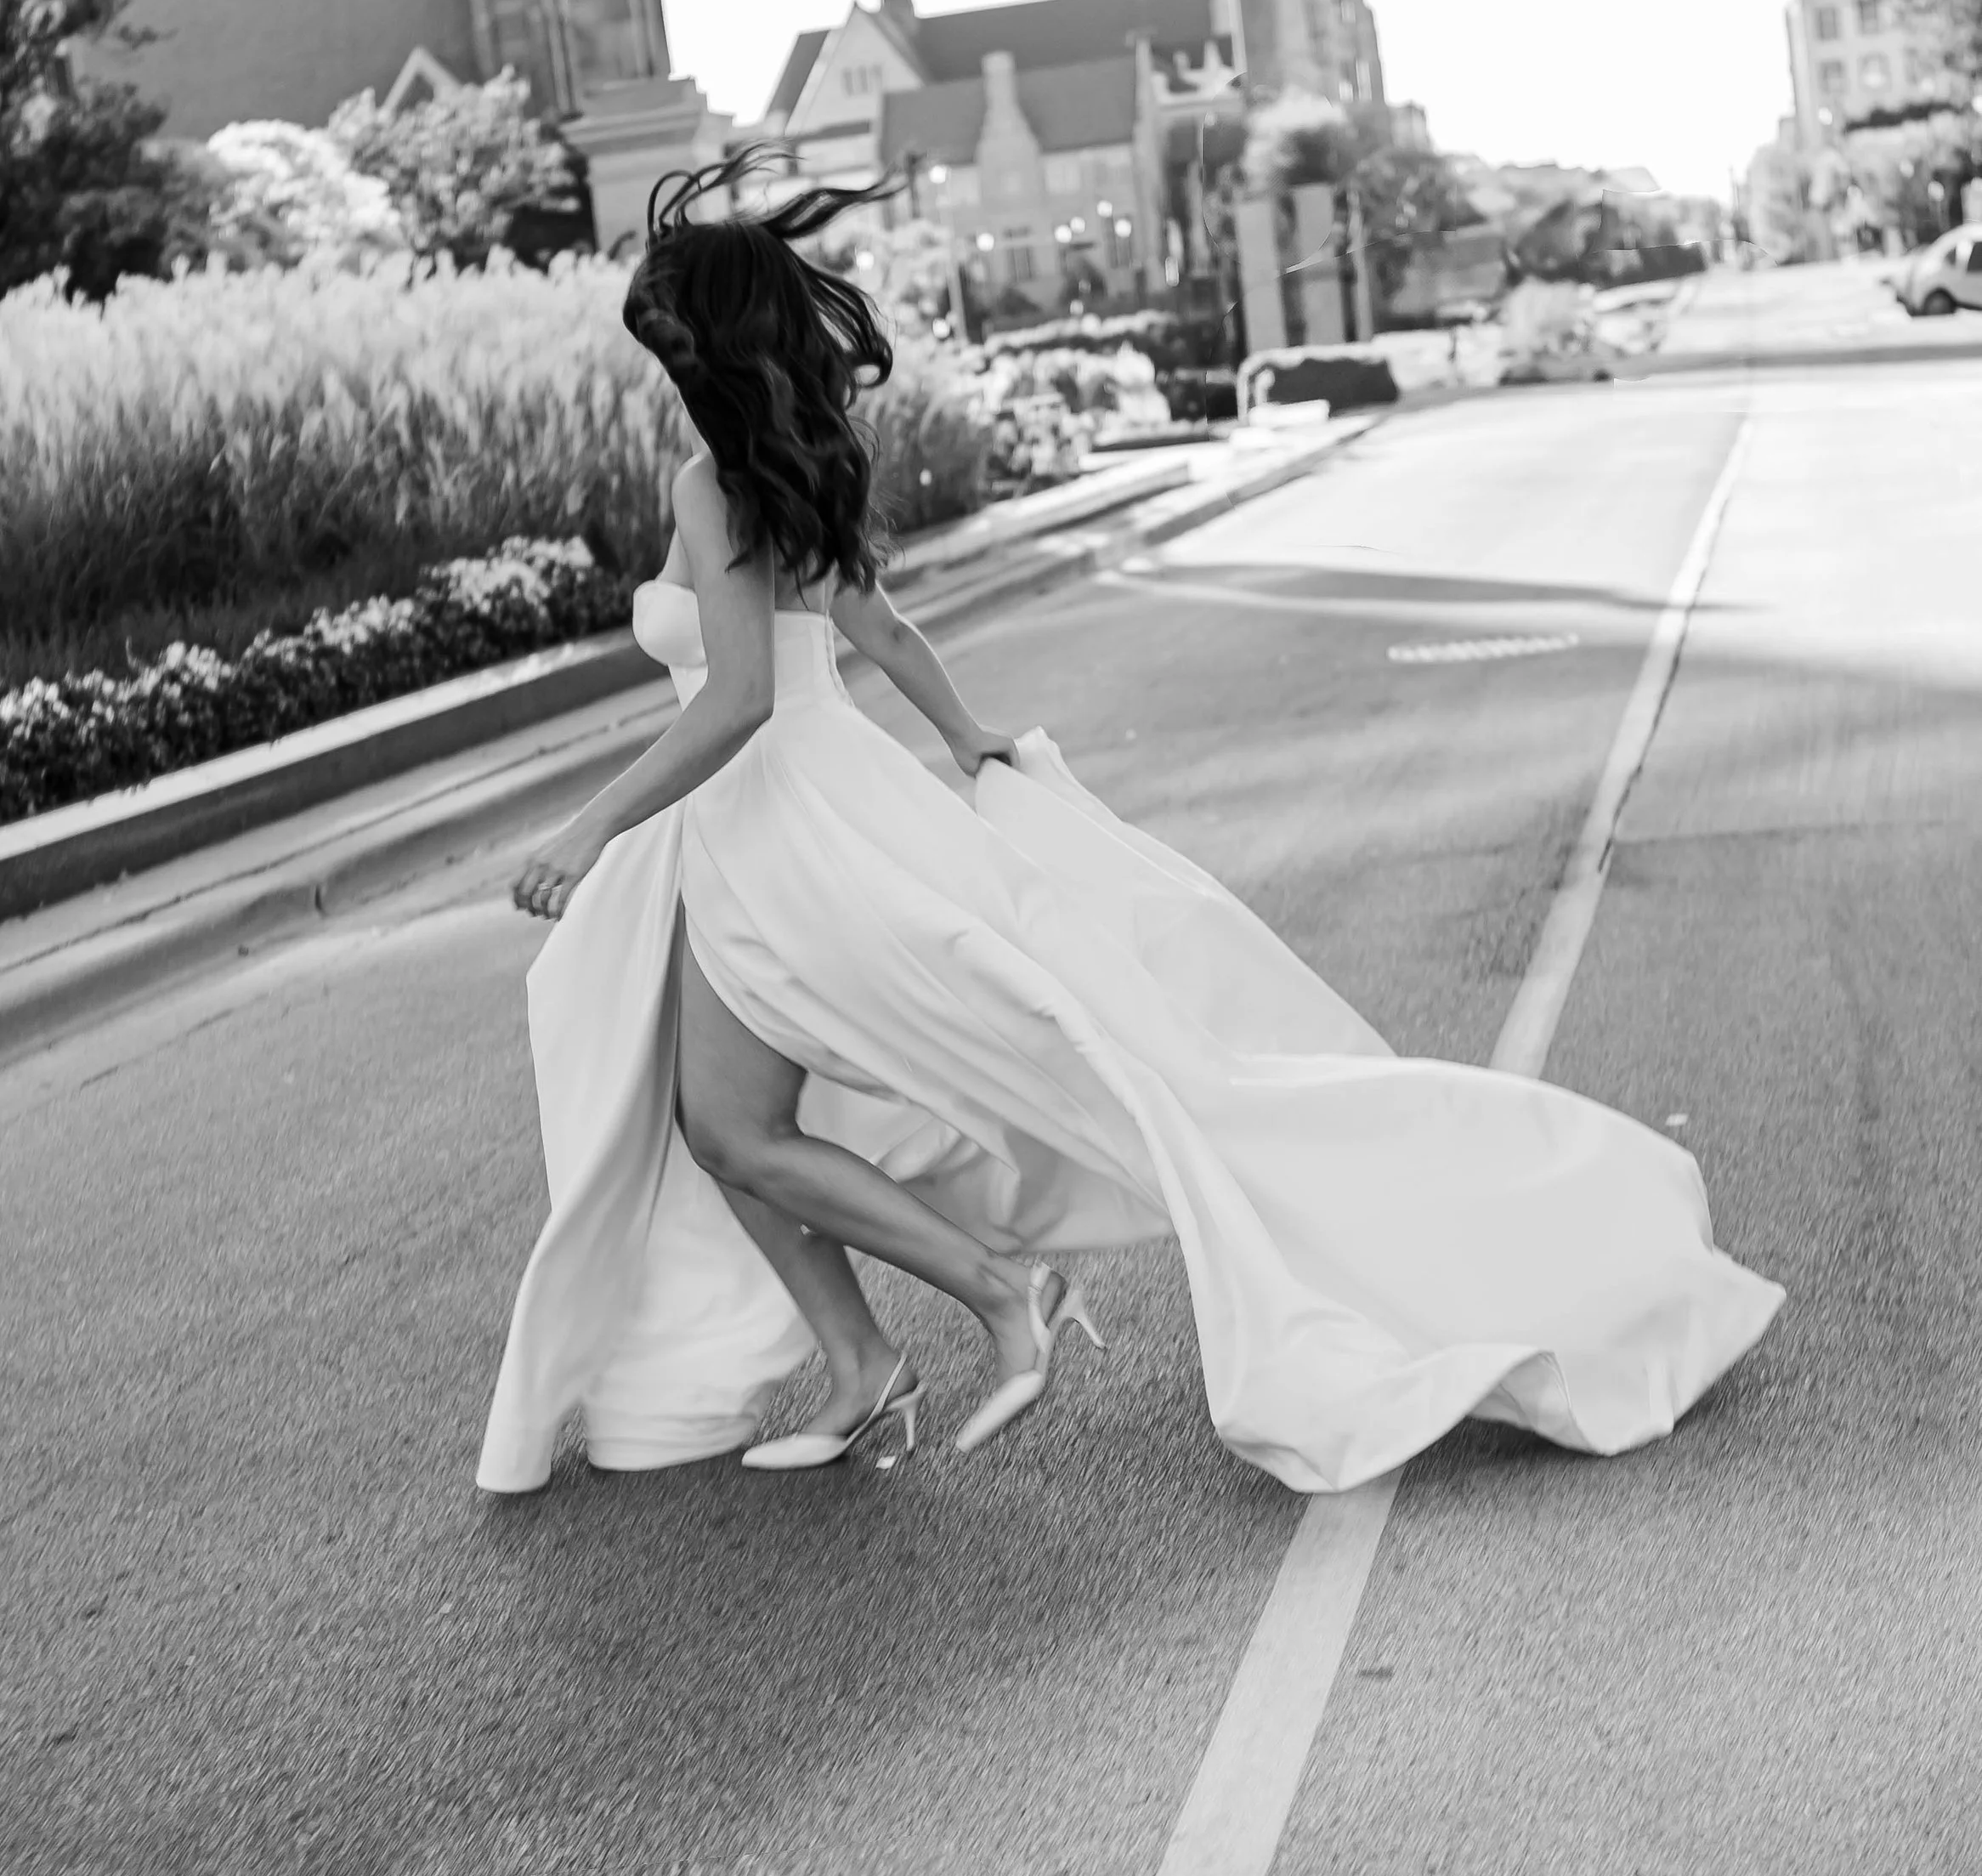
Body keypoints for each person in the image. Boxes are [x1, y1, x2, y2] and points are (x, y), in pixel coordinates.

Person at [476, 155, 1783, 1493]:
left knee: (757, 1124)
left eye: (667, 344)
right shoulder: (787, 463)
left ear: (705, 351)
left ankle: (999, 1291)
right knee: (729, 1124)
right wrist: (961, 732)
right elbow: (882, 630)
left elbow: (742, 694)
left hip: (782, 823)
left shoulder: (713, 486)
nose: (662, 366)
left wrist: (589, 829)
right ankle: (870, 1364)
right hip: (793, 812)